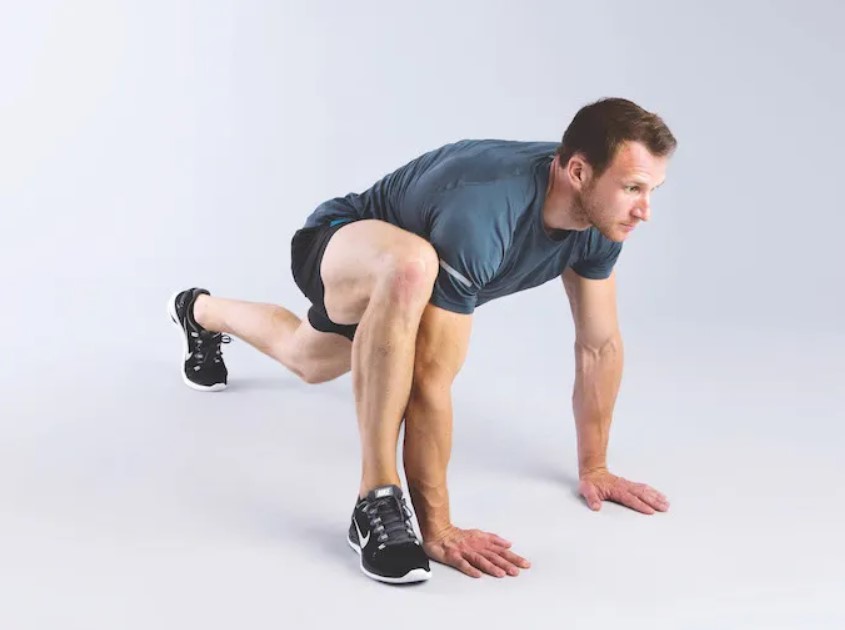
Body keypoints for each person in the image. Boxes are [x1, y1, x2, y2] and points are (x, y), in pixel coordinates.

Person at [167, 97, 677, 584]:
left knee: (308, 359)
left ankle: (198, 311)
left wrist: (596, 466)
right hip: (342, 242)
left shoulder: (597, 221)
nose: (645, 210)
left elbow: (598, 345)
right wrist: (439, 529)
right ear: (580, 172)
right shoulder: (488, 207)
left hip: (400, 296)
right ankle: (376, 500)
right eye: (633, 188)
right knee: (412, 266)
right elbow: (430, 380)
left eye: (652, 190)